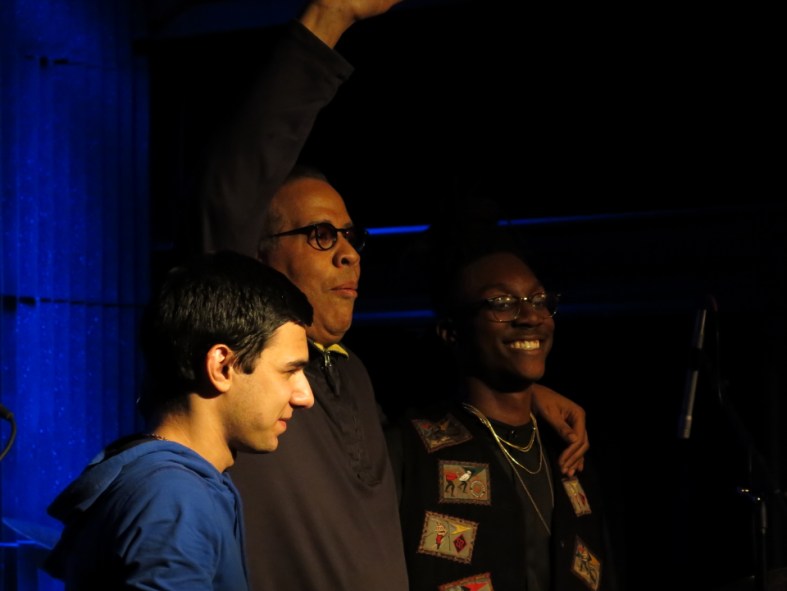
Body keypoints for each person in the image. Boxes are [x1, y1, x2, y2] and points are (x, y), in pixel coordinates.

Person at [196, 1, 591, 588]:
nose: (349, 254)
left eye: (350, 236)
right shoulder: (246, 362)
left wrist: (527, 394)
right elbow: (234, 182)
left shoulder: (351, 376)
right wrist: (330, 17)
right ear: (255, 255)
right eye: (321, 235)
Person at [43, 251, 315, 591]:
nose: (305, 396)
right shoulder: (174, 498)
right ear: (222, 367)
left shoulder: (168, 485)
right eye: (289, 371)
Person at [386, 214, 621, 591]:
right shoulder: (411, 450)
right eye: (502, 302)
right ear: (451, 332)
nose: (530, 316)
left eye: (539, 300)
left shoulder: (568, 448)